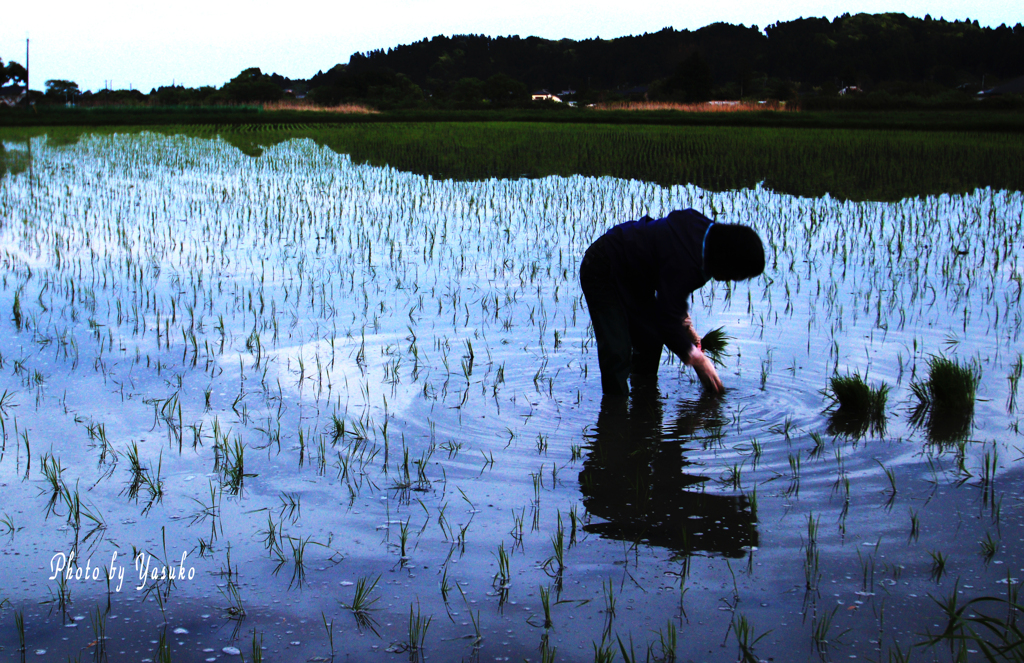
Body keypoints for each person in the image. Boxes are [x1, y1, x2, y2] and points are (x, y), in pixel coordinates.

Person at [579, 208, 765, 396]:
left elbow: (671, 293)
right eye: (734, 275)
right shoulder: (690, 257)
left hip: (634, 278)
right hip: (603, 266)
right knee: (617, 351)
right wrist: (699, 360)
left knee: (650, 338)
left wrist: (688, 331)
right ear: (728, 260)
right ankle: (614, 416)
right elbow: (666, 318)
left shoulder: (705, 239)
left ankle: (644, 403)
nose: (727, 279)